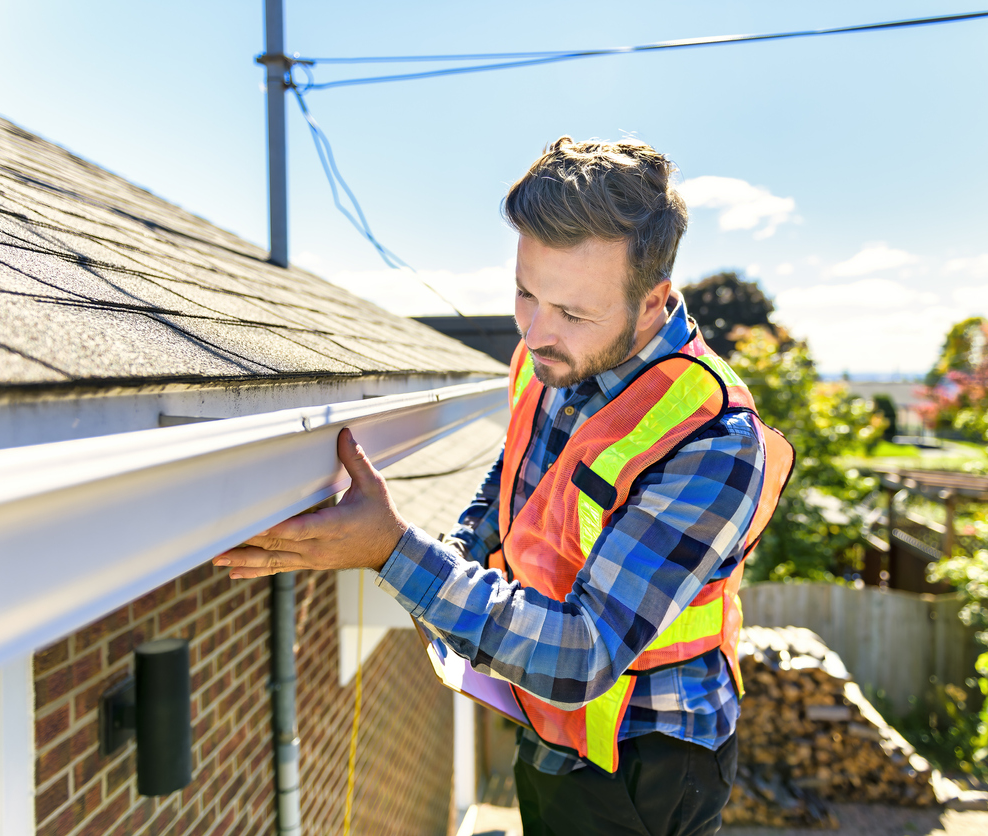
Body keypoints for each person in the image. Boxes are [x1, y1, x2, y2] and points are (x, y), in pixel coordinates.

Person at [215, 136, 793, 836]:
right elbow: (517, 470)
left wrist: (392, 552)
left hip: (645, 758)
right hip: (547, 721)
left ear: (654, 303)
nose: (538, 332)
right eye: (526, 292)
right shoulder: (550, 355)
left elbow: (582, 656)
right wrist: (460, 546)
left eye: (573, 312)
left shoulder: (713, 442)